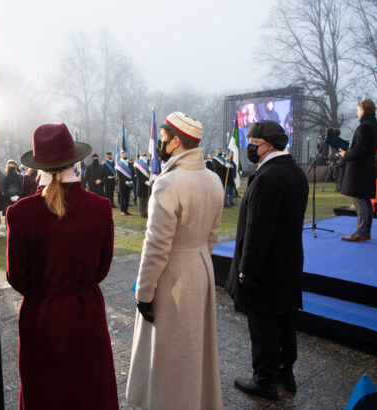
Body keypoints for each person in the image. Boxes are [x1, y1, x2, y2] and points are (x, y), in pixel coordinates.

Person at [6, 123, 118, 409]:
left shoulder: (20, 213)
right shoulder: (100, 207)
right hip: (85, 314)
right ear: (75, 160)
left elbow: (17, 276)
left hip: (40, 318)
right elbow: (101, 269)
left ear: (38, 165)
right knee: (89, 392)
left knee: (45, 394)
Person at [127, 112, 224, 409]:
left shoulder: (169, 183)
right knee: (195, 348)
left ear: (176, 140)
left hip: (174, 277)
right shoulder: (212, 178)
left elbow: (156, 246)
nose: (160, 141)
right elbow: (212, 235)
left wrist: (144, 293)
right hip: (200, 267)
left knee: (170, 354)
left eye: (164, 136)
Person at [225, 120, 308, 401]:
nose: (249, 146)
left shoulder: (268, 178)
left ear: (269, 144)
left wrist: (246, 272)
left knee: (264, 325)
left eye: (253, 141)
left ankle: (264, 379)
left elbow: (256, 233)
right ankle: (286, 374)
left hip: (266, 269)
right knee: (285, 321)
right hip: (288, 263)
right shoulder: (296, 173)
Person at [338, 99, 377, 241]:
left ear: (362, 109)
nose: (357, 112)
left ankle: (361, 232)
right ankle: (365, 230)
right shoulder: (374, 125)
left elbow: (359, 150)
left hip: (359, 170)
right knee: (366, 200)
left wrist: (345, 154)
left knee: (360, 201)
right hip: (367, 168)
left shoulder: (364, 127)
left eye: (358, 109)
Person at [116, 150, 134, 215]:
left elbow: (132, 172)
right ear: (121, 155)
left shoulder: (130, 163)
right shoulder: (119, 164)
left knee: (127, 197)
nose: (125, 156)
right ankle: (122, 210)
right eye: (123, 155)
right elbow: (119, 174)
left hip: (129, 183)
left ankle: (126, 210)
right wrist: (125, 181)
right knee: (122, 197)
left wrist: (131, 180)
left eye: (126, 155)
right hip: (122, 183)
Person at [134, 150, 151, 218]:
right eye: (143, 152)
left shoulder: (149, 162)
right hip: (141, 184)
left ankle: (145, 212)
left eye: (145, 152)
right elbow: (138, 175)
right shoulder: (137, 164)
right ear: (140, 154)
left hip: (148, 184)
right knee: (141, 200)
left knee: (146, 200)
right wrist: (145, 181)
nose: (145, 153)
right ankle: (142, 213)